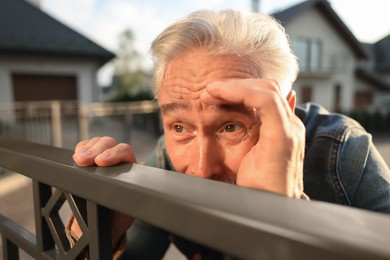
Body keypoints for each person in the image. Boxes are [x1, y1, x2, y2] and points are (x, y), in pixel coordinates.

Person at [69, 9, 390, 259]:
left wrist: (289, 218)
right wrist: (97, 238)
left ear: (287, 112)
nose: (202, 167)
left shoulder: (343, 153)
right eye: (180, 127)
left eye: (231, 127)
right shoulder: (164, 159)